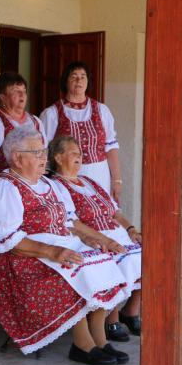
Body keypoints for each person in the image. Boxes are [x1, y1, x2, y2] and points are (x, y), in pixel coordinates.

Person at [0, 126, 131, 365]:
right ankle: (82, 344)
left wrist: (94, 239)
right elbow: (11, 241)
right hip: (18, 259)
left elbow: (69, 222)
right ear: (16, 157)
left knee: (102, 260)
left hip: (53, 245)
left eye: (43, 152)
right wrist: (53, 252)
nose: (43, 158)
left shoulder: (48, 184)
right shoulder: (5, 188)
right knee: (73, 268)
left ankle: (99, 339)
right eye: (36, 153)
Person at [49, 136, 142, 341]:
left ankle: (131, 311)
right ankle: (112, 321)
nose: (79, 157)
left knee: (150, 254)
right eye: (73, 153)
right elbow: (70, 222)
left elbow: (115, 212)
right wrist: (104, 240)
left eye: (80, 153)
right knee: (120, 260)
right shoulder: (56, 186)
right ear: (57, 157)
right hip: (92, 237)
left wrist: (132, 229)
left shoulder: (89, 182)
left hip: (117, 232)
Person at [40, 61, 123, 202]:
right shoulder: (52, 113)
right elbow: (44, 151)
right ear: (66, 81)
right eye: (74, 76)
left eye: (83, 76)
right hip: (66, 177)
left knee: (100, 214)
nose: (79, 80)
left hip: (100, 175)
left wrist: (117, 180)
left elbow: (111, 148)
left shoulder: (102, 110)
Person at [0, 71, 46, 180]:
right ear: (3, 97)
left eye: (24, 91)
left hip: (33, 185)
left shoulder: (36, 122)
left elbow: (43, 154)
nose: (22, 95)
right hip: (5, 186)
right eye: (16, 91)